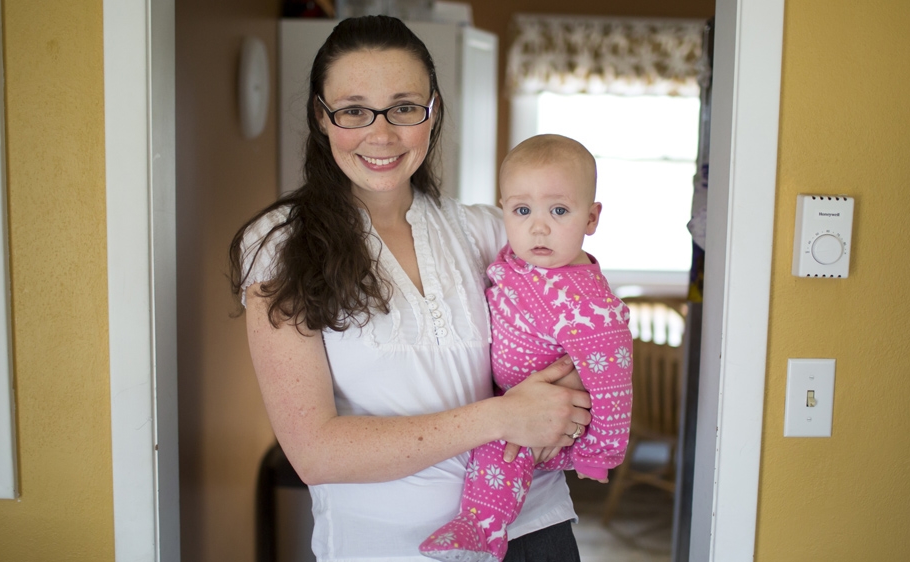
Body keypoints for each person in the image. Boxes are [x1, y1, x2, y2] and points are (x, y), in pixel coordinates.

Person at [228, 16, 593, 562]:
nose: (382, 134)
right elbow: (316, 453)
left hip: (533, 530)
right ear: (320, 117)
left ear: (434, 112)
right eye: (353, 110)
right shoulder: (280, 244)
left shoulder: (489, 230)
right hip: (389, 548)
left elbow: (585, 321)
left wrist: (567, 397)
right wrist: (503, 416)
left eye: (404, 107)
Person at [420, 135, 634, 562]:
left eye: (559, 211)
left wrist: (600, 453)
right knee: (497, 432)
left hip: (545, 420)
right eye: (522, 210)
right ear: (504, 211)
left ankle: (483, 529)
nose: (539, 227)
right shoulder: (519, 261)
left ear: (591, 218)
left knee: (501, 447)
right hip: (512, 399)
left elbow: (613, 380)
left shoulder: (589, 305)